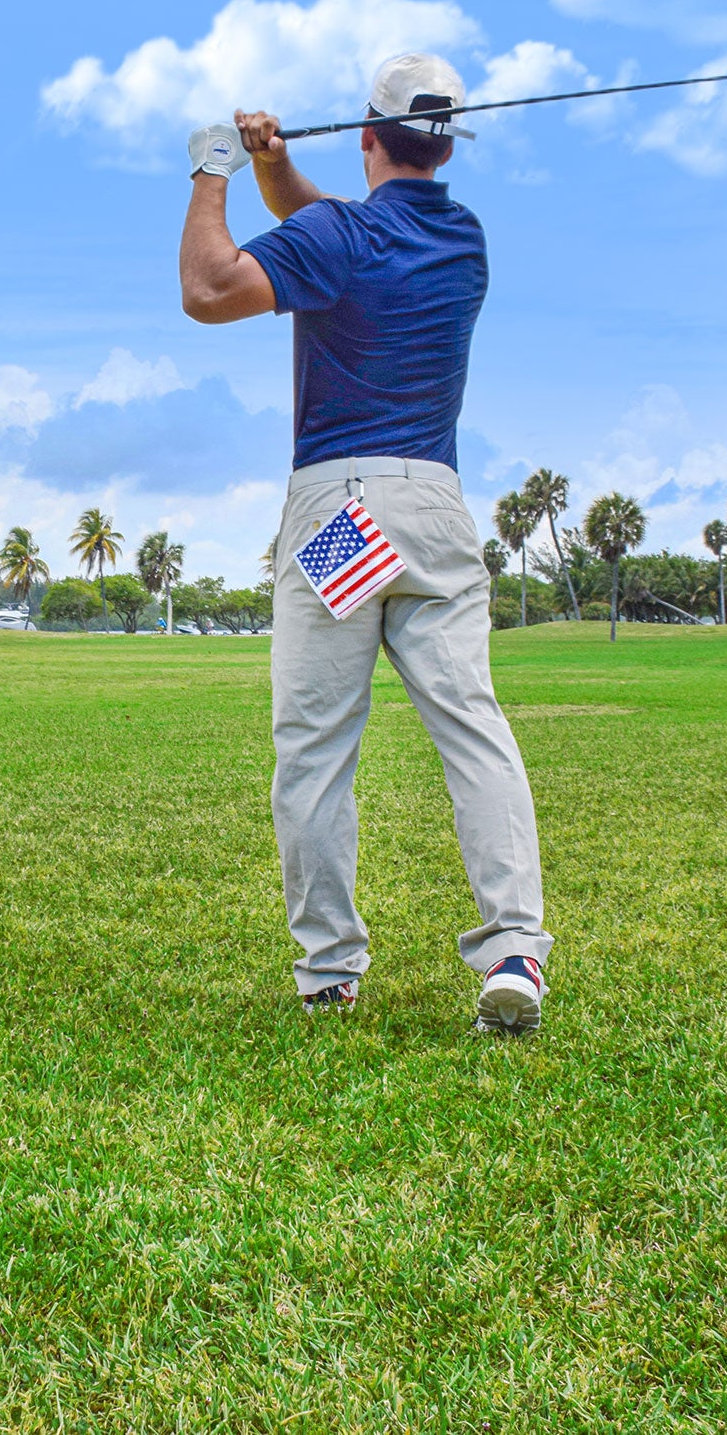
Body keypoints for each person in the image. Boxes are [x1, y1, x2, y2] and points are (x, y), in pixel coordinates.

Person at [176, 53, 552, 1033]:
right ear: (441, 144)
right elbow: (331, 227)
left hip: (345, 513)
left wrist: (214, 165)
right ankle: (514, 947)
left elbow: (210, 290)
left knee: (314, 750)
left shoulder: (337, 233)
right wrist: (273, 168)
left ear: (366, 136)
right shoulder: (460, 239)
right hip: (434, 507)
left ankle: (330, 971)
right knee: (469, 727)